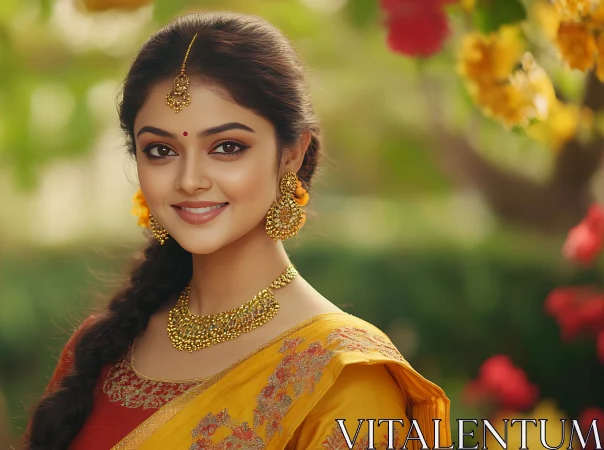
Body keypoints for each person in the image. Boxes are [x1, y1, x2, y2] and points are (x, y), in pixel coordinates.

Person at [23, 11, 450, 450]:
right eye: (161, 150)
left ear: (292, 154)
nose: (190, 179)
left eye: (227, 147)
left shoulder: (343, 378)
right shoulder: (99, 351)